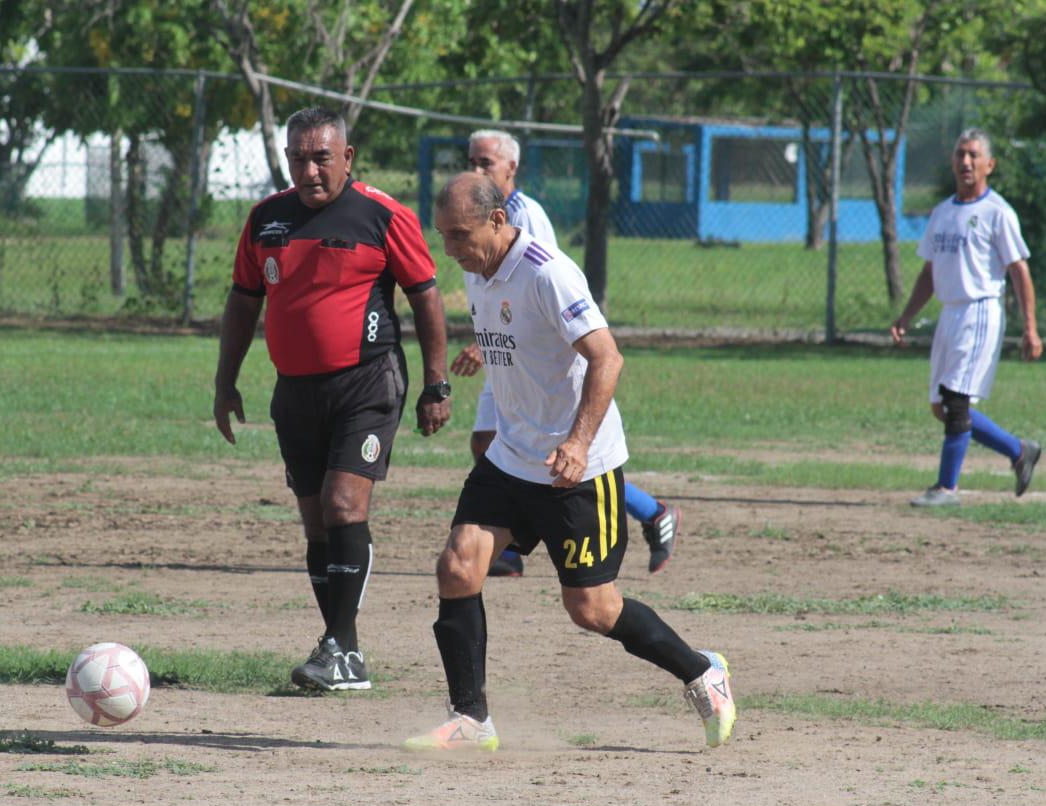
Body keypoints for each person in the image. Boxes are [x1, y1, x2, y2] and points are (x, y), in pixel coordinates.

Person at [402, 173, 735, 753]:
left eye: (459, 235)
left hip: (578, 467)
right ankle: (471, 719)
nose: (450, 249)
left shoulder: (547, 271)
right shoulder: (476, 267)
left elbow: (607, 359)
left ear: (499, 220)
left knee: (592, 609)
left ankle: (702, 671)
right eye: (443, 236)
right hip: (511, 457)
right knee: (457, 567)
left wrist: (579, 443)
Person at [213, 106, 452, 692]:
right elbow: (244, 302)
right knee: (316, 522)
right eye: (299, 157)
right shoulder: (266, 219)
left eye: (322, 157)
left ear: (347, 158)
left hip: (367, 383)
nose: (310, 169)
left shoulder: (382, 215)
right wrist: (226, 380)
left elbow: (426, 298)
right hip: (294, 391)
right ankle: (341, 653)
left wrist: (435, 383)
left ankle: (340, 647)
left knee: (346, 506)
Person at [450, 129, 680, 577]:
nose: (476, 170)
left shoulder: (523, 215)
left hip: (537, 353)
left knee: (547, 457)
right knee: (489, 442)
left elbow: (542, 287)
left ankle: (650, 511)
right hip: (508, 353)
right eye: (471, 161)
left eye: (486, 163)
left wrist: (486, 341)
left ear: (511, 168)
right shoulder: (472, 214)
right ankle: (510, 543)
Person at [891, 128, 1043, 508]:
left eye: (974, 155)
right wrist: (907, 316)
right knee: (942, 408)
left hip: (979, 310)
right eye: (960, 154)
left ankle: (946, 489)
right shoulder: (943, 213)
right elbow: (929, 272)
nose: (966, 162)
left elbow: (1019, 270)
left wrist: (1030, 328)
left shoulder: (997, 213)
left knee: (956, 400)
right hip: (949, 314)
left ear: (989, 165)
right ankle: (1018, 449)